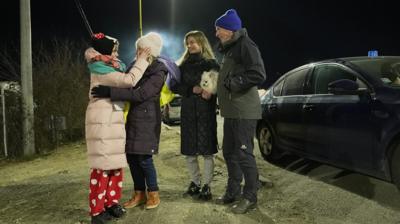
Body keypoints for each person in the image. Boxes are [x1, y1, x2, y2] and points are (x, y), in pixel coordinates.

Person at [91, 32, 166, 210]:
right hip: (132, 117)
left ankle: (153, 193)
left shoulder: (159, 69)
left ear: (151, 51)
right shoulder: (134, 65)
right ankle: (139, 193)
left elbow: (141, 94)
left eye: (142, 48)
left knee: (144, 158)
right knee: (132, 158)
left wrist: (111, 92)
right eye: (137, 48)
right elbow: (124, 81)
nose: (138, 51)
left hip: (148, 119)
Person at [85, 33, 151, 223]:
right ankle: (97, 211)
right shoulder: (101, 69)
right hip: (102, 121)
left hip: (113, 119)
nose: (116, 53)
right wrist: (142, 60)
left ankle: (111, 202)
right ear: (105, 50)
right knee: (102, 167)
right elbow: (129, 81)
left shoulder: (110, 65)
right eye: (114, 49)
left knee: (115, 164)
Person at [214, 9, 266, 214]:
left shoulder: (246, 45)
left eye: (218, 29)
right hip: (232, 111)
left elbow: (258, 73)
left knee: (244, 154)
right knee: (229, 152)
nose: (216, 33)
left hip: (244, 110)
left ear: (229, 29)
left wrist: (233, 83)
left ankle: (250, 197)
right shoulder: (230, 49)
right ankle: (233, 191)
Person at [174, 30, 220, 200]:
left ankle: (207, 186)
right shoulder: (182, 65)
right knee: (190, 152)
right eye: (188, 42)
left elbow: (217, 83)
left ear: (201, 42)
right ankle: (195, 183)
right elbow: (174, 86)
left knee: (207, 151)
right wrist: (190, 89)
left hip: (205, 113)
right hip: (187, 112)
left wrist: (211, 91)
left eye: (193, 42)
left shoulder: (211, 63)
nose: (190, 45)